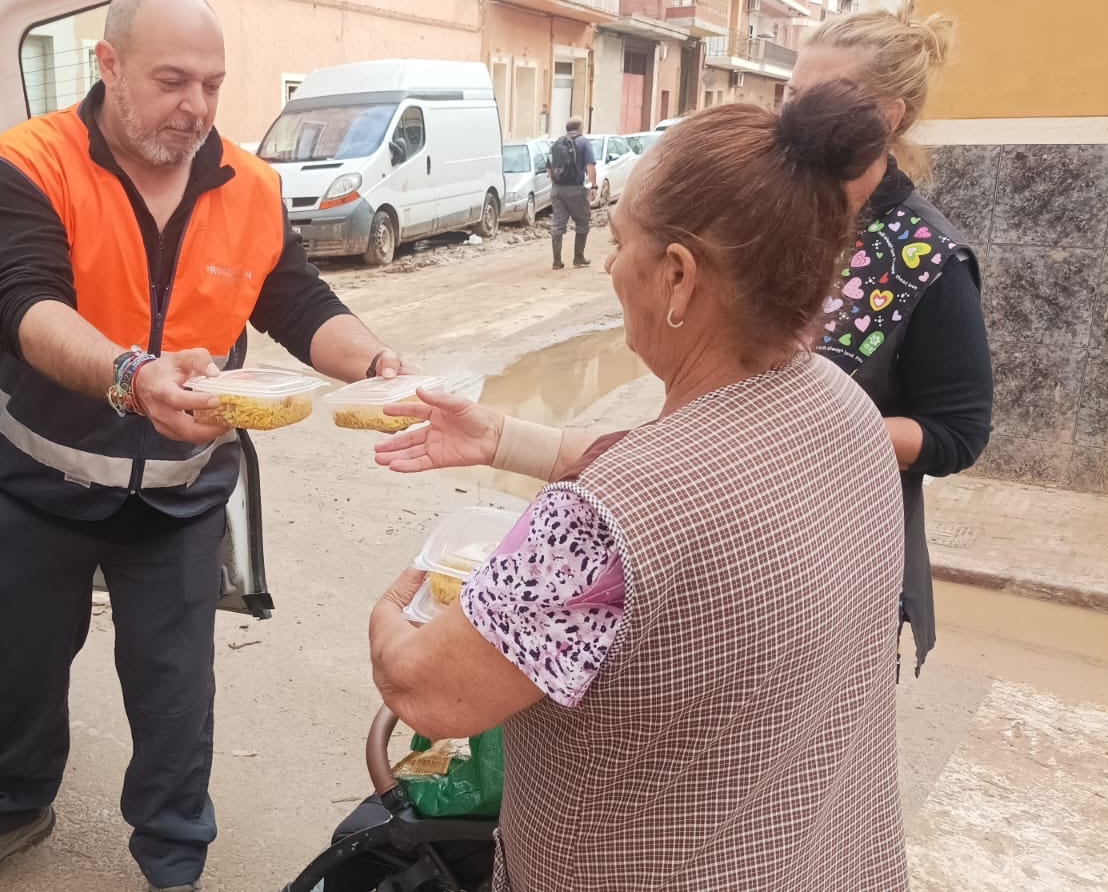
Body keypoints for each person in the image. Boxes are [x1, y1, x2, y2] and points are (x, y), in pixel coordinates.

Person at [368, 82, 909, 889]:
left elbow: (433, 695)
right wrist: (502, 437)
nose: (613, 263)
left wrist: (395, 613)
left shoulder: (598, 524)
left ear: (680, 277)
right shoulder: (841, 407)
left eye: (622, 240)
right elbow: (689, 462)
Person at [0, 0, 402, 891]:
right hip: (38, 490)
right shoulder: (31, 164)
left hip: (179, 499)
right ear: (108, 67)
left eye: (213, 85)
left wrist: (377, 365)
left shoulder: (250, 187)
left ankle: (173, 866)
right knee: (21, 675)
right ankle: (9, 813)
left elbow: (296, 301)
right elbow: (25, 304)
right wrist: (133, 377)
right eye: (172, 81)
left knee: (175, 700)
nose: (196, 107)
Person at [792, 4, 992, 676]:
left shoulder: (929, 257)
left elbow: (957, 434)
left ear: (889, 116)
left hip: (842, 555)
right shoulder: (773, 211)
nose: (798, 115)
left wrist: (819, 429)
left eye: (823, 98)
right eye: (794, 95)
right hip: (734, 524)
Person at [548, 117, 597, 270]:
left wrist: (558, 182)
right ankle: (578, 257)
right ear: (580, 127)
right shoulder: (583, 142)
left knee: (558, 224)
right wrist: (594, 186)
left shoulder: (557, 143)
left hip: (556, 189)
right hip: (575, 189)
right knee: (582, 221)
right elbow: (590, 167)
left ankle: (557, 261)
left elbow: (548, 171)